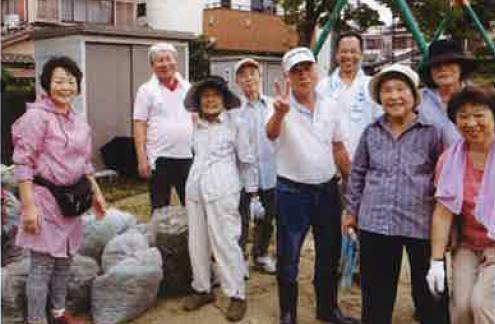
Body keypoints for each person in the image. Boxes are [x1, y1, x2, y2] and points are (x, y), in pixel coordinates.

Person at [344, 64, 449, 324]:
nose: (394, 96)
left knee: (430, 297)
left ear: (414, 96)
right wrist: (350, 211)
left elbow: (442, 179)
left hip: (421, 225)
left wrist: (446, 225)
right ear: (379, 98)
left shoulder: (432, 133)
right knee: (376, 297)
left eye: (401, 89)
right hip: (376, 224)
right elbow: (357, 173)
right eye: (387, 90)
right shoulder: (371, 132)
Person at [12, 56, 107, 324]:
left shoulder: (77, 119)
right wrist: (29, 207)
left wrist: (97, 193)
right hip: (44, 200)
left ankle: (58, 311)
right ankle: (36, 320)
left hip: (71, 201)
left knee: (65, 261)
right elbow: (23, 162)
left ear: (78, 85)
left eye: (71, 81)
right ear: (46, 84)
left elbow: (85, 161)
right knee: (42, 266)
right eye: (59, 81)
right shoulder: (36, 117)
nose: (65, 87)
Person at [267, 47, 358, 324]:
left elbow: (339, 148)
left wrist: (352, 188)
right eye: (296, 70)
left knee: (329, 254)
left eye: (307, 68)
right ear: (288, 76)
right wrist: (281, 113)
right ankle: (288, 313)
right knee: (288, 256)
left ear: (316, 71)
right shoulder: (279, 105)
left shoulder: (330, 104)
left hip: (327, 190)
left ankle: (327, 309)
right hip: (292, 192)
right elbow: (270, 133)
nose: (303, 75)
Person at [182, 76, 258, 322]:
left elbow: (246, 161)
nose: (211, 100)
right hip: (195, 190)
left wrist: (253, 193)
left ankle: (236, 293)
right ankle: (202, 288)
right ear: (199, 102)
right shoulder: (197, 126)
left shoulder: (236, 124)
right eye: (206, 96)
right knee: (197, 242)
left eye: (216, 95)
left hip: (223, 190)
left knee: (226, 242)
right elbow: (196, 155)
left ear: (224, 100)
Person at [427, 86, 495, 324]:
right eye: (463, 116)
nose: (471, 122)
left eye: (479, 115)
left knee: (483, 304)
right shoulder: (449, 159)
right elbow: (442, 214)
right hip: (468, 245)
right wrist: (436, 262)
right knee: (462, 308)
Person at [133, 42, 193, 209]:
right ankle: (160, 236)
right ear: (152, 66)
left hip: (186, 156)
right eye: (159, 60)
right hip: (159, 158)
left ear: (176, 61)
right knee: (160, 208)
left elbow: (196, 120)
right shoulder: (146, 90)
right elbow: (139, 124)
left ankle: (191, 236)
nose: (165, 64)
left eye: (168, 59)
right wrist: (141, 158)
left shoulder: (189, 88)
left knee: (192, 206)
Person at [235, 58, 277, 275]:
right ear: (237, 81)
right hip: (242, 176)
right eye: (243, 75)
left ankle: (260, 255)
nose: (248, 77)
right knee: (241, 219)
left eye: (253, 73)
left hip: (270, 173)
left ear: (260, 77)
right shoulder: (233, 109)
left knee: (267, 219)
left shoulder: (273, 104)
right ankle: (239, 258)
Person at [317, 31, 382, 158]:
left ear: (361, 54)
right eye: (344, 51)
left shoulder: (373, 85)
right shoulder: (322, 86)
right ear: (336, 54)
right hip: (329, 162)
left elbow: (380, 125)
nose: (348, 56)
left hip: (364, 162)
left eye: (353, 51)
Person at [419, 39, 477, 150]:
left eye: (449, 62)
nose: (443, 68)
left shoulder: (480, 97)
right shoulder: (417, 100)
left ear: (461, 67)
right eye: (436, 64)